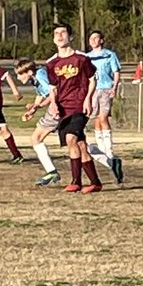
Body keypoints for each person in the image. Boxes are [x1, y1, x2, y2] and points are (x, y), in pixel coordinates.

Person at [46, 24, 103, 194]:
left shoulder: (81, 59)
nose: (59, 35)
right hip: (64, 108)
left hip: (79, 105)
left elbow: (93, 79)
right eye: (56, 33)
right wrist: (53, 103)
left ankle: (75, 181)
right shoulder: (51, 63)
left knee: (71, 138)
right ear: (53, 38)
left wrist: (88, 99)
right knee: (80, 144)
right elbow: (53, 87)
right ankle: (95, 182)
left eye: (63, 32)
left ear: (70, 37)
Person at [15, 59, 61, 186]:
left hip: (57, 108)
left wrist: (39, 106)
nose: (18, 78)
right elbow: (41, 95)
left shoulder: (40, 75)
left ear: (29, 72)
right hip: (60, 107)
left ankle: (51, 171)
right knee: (76, 141)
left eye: (20, 74)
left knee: (36, 138)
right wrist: (33, 110)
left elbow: (52, 94)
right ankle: (110, 161)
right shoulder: (36, 77)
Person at [86, 31, 124, 184]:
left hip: (105, 88)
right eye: (91, 38)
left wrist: (114, 87)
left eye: (96, 38)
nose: (93, 40)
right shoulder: (87, 57)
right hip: (92, 90)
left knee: (103, 118)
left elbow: (116, 72)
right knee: (95, 120)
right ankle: (102, 150)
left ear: (101, 40)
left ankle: (109, 151)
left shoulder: (109, 55)